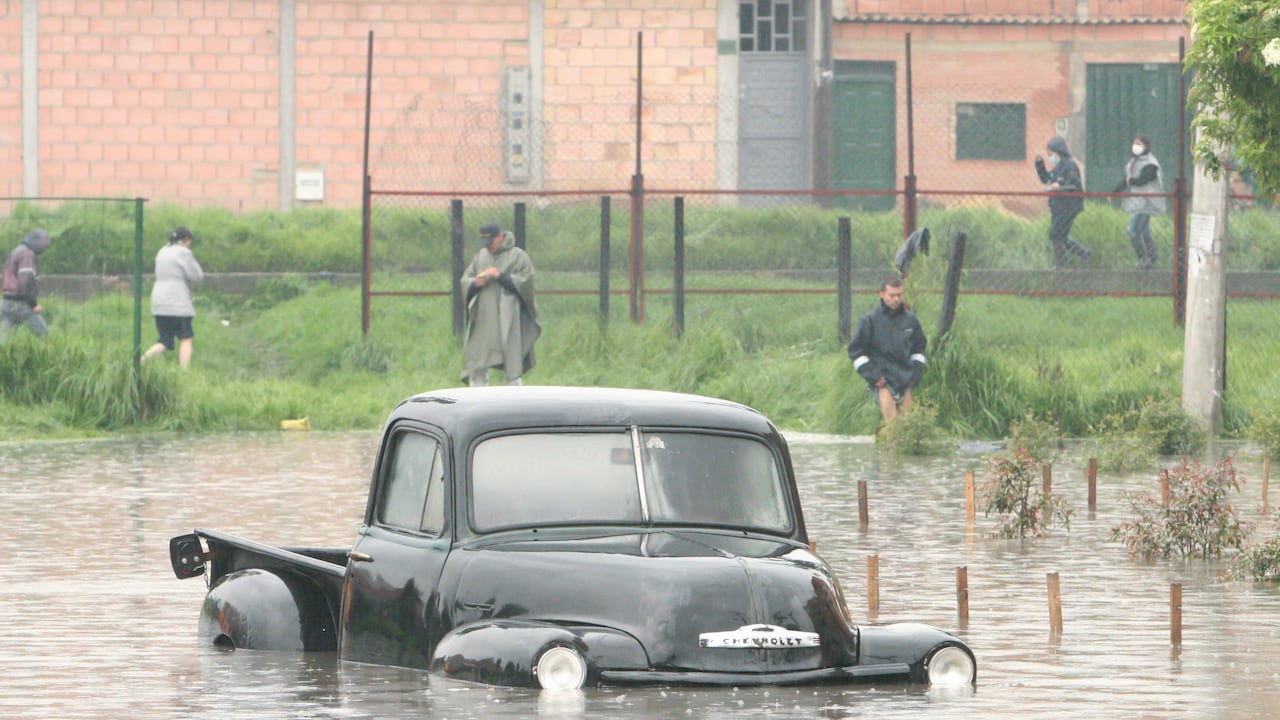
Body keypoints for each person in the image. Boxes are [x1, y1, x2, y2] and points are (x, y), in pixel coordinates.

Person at [459, 222, 541, 386]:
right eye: (485, 243)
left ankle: (515, 399)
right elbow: (465, 281)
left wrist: (500, 276)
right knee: (479, 359)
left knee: (512, 359)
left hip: (509, 318)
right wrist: (475, 283)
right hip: (484, 318)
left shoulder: (518, 256)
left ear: (500, 237)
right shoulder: (481, 257)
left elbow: (526, 283)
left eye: (491, 242)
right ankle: (478, 398)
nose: (488, 247)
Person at [847, 275, 926, 422]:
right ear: (882, 294)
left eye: (899, 295)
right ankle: (888, 442)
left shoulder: (911, 320)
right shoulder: (869, 321)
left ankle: (884, 441)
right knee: (893, 422)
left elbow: (919, 348)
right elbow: (856, 351)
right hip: (883, 380)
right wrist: (873, 376)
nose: (896, 299)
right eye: (892, 295)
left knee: (907, 424)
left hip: (906, 379)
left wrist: (915, 374)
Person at [142, 226, 204, 368]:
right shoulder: (183, 253)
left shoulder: (162, 251)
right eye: (190, 242)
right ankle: (184, 373)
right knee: (186, 338)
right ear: (186, 239)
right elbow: (197, 276)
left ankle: (139, 362)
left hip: (158, 302)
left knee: (164, 341)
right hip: (177, 303)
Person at [1034, 136, 1093, 269]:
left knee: (1056, 234)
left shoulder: (1070, 165)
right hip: (1058, 205)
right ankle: (1084, 253)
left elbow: (1074, 185)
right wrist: (1040, 166)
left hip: (1069, 205)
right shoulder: (1059, 166)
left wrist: (1059, 186)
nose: (1050, 156)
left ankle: (1061, 263)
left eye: (1051, 153)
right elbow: (1046, 179)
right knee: (1060, 235)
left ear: (1058, 151)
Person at [1111, 134, 1165, 270]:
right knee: (1144, 231)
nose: (1136, 147)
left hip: (1149, 201)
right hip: (1139, 201)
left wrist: (1131, 181)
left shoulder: (1151, 164)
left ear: (1146, 147)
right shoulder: (1134, 162)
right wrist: (1115, 192)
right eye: (1135, 143)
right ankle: (1151, 259)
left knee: (1133, 229)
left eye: (1139, 144)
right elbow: (1127, 179)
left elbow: (1142, 180)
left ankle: (1142, 258)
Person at [1, 229, 53, 340]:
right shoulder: (28, 254)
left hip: (6, 301)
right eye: (44, 243)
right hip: (20, 302)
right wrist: (33, 305)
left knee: (5, 336)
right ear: (35, 241)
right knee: (44, 335)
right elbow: (24, 282)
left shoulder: (16, 251)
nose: (45, 248)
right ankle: (48, 354)